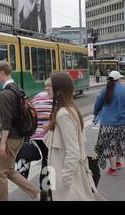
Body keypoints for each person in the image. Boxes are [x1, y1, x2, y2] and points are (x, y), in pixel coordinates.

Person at [44, 72, 102, 201]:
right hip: (64, 174)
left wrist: (64, 180)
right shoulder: (68, 109)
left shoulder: (63, 114)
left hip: (66, 178)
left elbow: (73, 150)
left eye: (50, 86)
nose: (46, 88)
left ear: (59, 89)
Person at [0, 61, 39, 201]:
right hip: (19, 136)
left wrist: (2, 143)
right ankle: (35, 192)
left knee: (0, 174)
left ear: (2, 73)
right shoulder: (17, 88)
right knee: (9, 170)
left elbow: (6, 121)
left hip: (10, 138)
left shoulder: (5, 93)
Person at [93, 70, 125, 175]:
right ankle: (118, 162)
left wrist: (95, 112)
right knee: (119, 142)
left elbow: (98, 103)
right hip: (122, 123)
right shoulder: (124, 89)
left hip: (108, 123)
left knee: (110, 144)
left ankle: (113, 168)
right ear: (118, 79)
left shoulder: (105, 90)